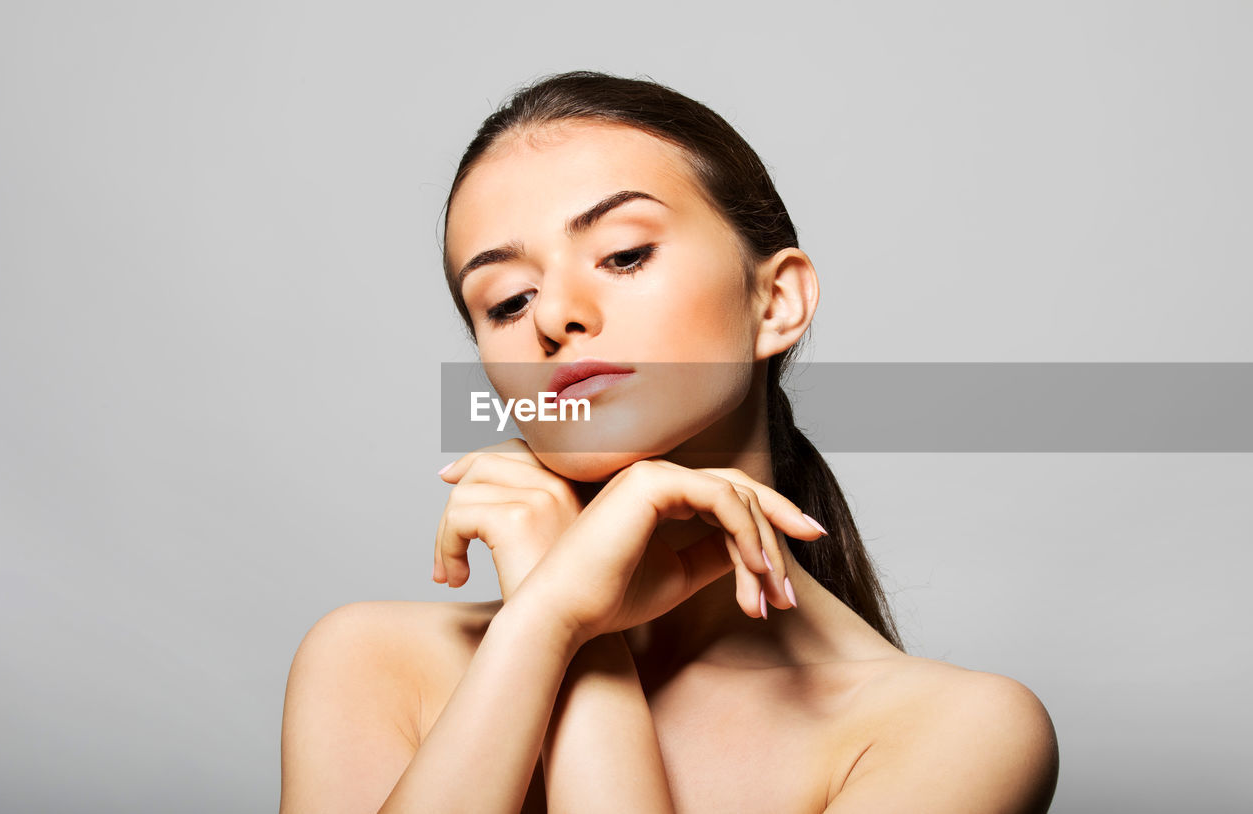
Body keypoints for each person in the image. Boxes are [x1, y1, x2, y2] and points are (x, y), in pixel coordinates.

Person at [278, 70, 1060, 814]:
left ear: (776, 301)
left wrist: (575, 635)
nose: (556, 317)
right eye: (509, 301)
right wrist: (546, 619)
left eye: (624, 255)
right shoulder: (373, 662)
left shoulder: (954, 732)